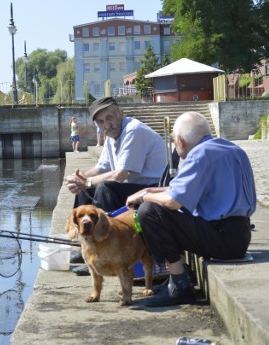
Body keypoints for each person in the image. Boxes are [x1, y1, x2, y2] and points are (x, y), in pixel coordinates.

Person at [126, 112, 256, 307]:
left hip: (221, 238)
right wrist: (150, 189)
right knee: (157, 205)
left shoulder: (199, 154)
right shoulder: (230, 148)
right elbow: (184, 188)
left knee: (149, 212)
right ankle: (176, 279)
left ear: (180, 140)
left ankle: (180, 284)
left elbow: (173, 202)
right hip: (240, 234)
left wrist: (143, 197)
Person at [65, 96, 167, 275]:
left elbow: (120, 175)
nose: (106, 125)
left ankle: (103, 251)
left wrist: (86, 182)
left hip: (153, 189)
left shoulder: (133, 131)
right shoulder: (112, 136)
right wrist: (78, 178)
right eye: (101, 121)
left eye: (109, 118)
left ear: (121, 113)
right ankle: (87, 247)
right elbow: (101, 167)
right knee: (84, 189)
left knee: (105, 187)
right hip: (133, 187)